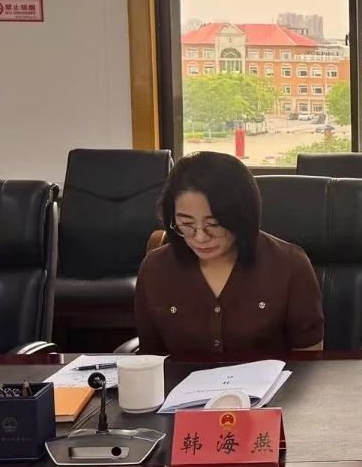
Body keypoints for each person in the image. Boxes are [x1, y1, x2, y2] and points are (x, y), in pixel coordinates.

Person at [134, 151, 325, 355]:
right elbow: (149, 358)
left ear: (242, 216)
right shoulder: (155, 268)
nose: (200, 237)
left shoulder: (289, 265)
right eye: (187, 224)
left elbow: (309, 359)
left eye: (214, 224)